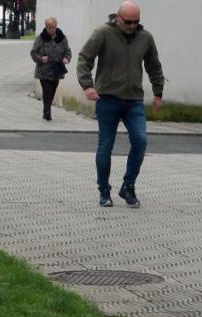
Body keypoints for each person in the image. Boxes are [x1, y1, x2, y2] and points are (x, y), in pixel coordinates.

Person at [77, 1, 165, 209]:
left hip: (134, 100)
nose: (133, 26)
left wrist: (158, 92)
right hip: (107, 98)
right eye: (128, 22)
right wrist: (87, 85)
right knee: (105, 146)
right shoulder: (102, 33)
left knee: (141, 141)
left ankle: (128, 186)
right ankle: (104, 191)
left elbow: (154, 65)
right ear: (117, 18)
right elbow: (84, 58)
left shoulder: (145, 38)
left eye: (136, 22)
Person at [30, 16, 70, 121]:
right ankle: (47, 111)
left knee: (52, 90)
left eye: (53, 27)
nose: (51, 29)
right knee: (47, 90)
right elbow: (33, 52)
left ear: (56, 26)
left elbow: (67, 51)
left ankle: (46, 109)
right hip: (44, 70)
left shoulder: (62, 38)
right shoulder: (41, 38)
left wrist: (66, 58)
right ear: (46, 27)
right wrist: (40, 58)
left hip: (57, 69)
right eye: (49, 27)